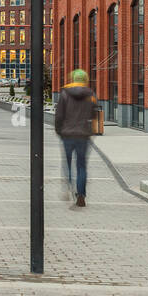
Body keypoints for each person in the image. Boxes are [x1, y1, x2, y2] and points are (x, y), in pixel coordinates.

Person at [54, 69, 97, 208]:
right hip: (83, 135)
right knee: (81, 166)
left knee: (67, 163)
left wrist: (58, 130)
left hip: (67, 134)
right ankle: (81, 195)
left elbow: (59, 115)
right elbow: (93, 115)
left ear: (72, 78)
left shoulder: (65, 93)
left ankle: (68, 188)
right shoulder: (90, 94)